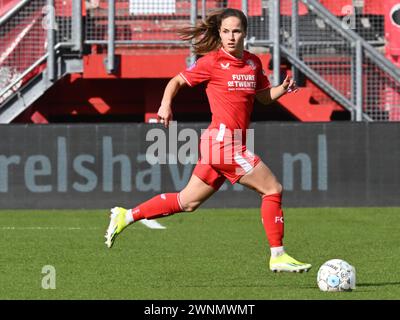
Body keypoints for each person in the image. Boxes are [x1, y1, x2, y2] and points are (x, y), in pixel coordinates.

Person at [105, 8, 311, 273]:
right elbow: (175, 81)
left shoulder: (252, 63)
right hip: (223, 143)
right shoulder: (212, 62)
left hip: (223, 143)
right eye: (225, 31)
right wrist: (166, 106)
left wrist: (281, 90)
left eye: (236, 31)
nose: (231, 36)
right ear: (219, 33)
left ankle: (126, 215)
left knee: (186, 202)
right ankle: (278, 255)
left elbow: (261, 97)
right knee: (272, 189)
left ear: (245, 33)